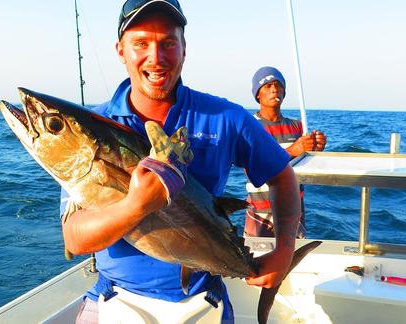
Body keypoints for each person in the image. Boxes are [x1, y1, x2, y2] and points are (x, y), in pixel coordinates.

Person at [61, 1, 302, 323]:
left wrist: (284, 250)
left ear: (184, 49)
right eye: (141, 43)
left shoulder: (225, 117)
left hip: (202, 295)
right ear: (121, 50)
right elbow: (76, 239)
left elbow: (282, 177)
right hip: (116, 294)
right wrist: (136, 205)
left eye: (168, 43)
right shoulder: (92, 128)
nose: (156, 57)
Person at [244, 66, 327, 238]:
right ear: (257, 94)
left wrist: (315, 149)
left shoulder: (297, 126)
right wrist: (293, 150)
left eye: (278, 84)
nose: (274, 89)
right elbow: (253, 168)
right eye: (267, 86)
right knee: (255, 262)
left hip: (294, 209)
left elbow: (304, 163)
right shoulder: (249, 126)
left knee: (294, 261)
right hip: (261, 211)